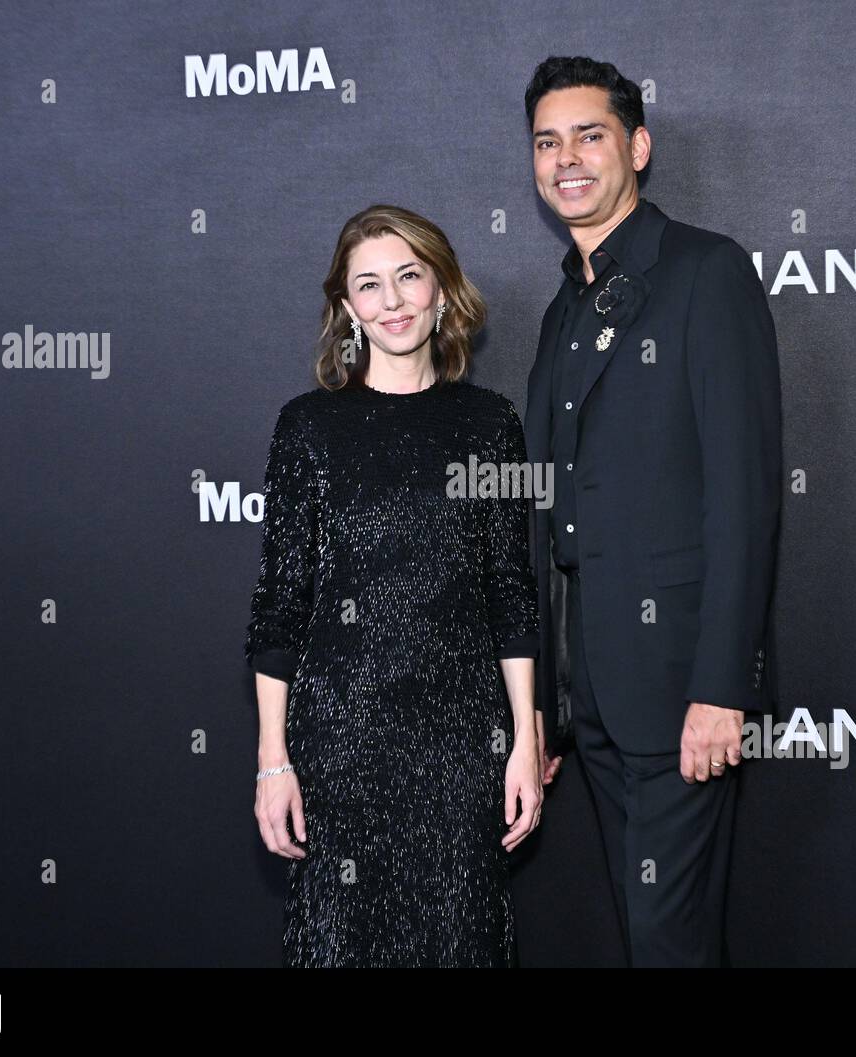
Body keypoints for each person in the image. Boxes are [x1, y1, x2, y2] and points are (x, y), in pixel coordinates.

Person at [522, 56, 784, 966]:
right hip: (590, 690)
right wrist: (547, 705)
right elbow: (549, 517)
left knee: (668, 942)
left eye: (589, 135)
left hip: (680, 689)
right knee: (646, 938)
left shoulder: (706, 273)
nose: (568, 160)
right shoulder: (565, 307)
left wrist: (722, 686)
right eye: (548, 142)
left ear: (637, 145)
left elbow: (744, 499)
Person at [243, 204, 544, 967]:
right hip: (340, 744)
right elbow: (281, 605)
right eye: (369, 285)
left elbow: (510, 591)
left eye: (410, 276)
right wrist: (273, 760)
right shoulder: (309, 427)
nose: (394, 300)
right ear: (347, 307)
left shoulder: (491, 424)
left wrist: (523, 736)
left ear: (442, 290)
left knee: (459, 942)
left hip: (460, 745)